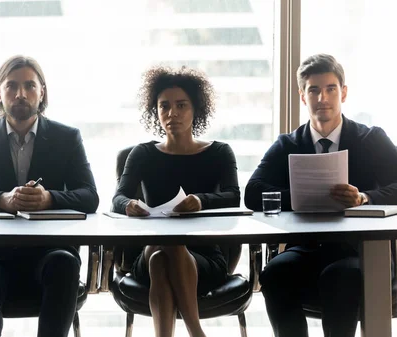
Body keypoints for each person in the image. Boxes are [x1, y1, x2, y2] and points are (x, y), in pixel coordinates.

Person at [245, 53, 397, 337]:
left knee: (340, 276)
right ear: (303, 96)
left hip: (358, 249)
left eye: (330, 89)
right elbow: (252, 193)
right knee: (275, 274)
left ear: (344, 92)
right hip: (304, 248)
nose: (322, 97)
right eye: (313, 90)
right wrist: (298, 197)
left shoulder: (370, 139)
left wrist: (364, 197)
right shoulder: (288, 143)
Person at [0, 55, 99, 337]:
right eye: (12, 86)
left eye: (30, 86)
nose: (21, 94)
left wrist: (49, 199)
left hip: (49, 248)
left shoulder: (67, 137)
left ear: (42, 91)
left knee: (64, 265)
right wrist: (0, 200)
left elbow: (90, 196)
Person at [112, 66, 239, 337]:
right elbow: (118, 197)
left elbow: (233, 195)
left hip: (205, 256)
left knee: (163, 258)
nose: (172, 113)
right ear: (155, 111)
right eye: (164, 106)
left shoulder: (219, 153)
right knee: (163, 247)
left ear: (196, 109)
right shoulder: (142, 153)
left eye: (181, 105)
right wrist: (128, 205)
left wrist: (200, 200)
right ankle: (197, 332)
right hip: (146, 251)